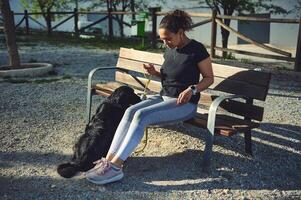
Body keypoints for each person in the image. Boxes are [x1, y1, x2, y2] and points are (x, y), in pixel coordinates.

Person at [85, 9, 214, 185]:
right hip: (164, 98)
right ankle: (107, 161)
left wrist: (192, 89)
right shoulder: (169, 51)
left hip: (184, 104)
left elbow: (209, 79)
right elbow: (171, 77)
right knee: (130, 110)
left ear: (181, 32)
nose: (165, 42)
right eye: (162, 39)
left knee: (140, 116)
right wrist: (155, 73)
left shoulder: (197, 49)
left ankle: (115, 168)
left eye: (168, 38)